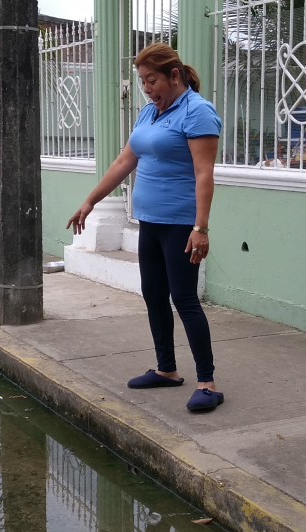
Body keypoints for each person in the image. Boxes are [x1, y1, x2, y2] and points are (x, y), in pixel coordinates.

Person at [67, 43, 224, 413]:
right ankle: (167, 369)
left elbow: (205, 175)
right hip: (149, 221)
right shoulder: (148, 113)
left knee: (183, 298)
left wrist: (201, 227)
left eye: (151, 80)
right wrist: (91, 200)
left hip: (181, 223)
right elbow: (126, 160)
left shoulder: (198, 112)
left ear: (174, 75)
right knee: (153, 293)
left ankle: (207, 382)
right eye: (142, 81)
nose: (147, 88)